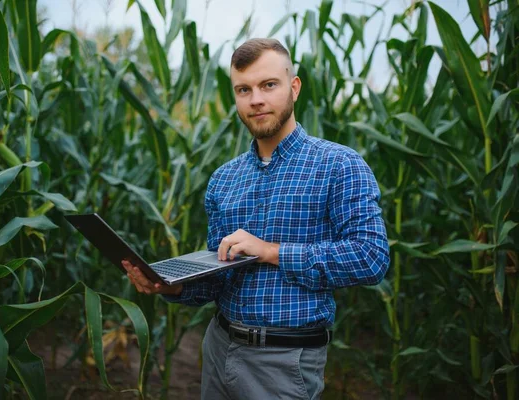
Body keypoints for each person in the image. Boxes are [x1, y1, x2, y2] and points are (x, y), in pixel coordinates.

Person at [122, 38, 389, 399]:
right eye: (243, 89)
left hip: (284, 361)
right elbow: (218, 278)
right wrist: (172, 286)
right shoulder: (224, 179)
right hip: (218, 348)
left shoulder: (339, 165)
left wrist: (270, 251)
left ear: (294, 88)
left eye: (268, 85)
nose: (256, 99)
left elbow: (371, 257)